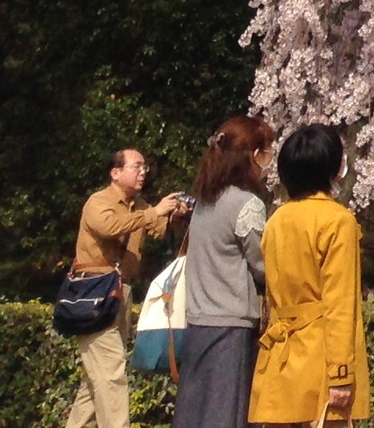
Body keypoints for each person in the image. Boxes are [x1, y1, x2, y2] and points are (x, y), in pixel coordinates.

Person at [248, 125, 370, 426]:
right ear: (334, 168)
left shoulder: (277, 220)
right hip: (321, 358)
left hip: (280, 356)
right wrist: (340, 373)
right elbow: (340, 304)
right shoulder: (338, 221)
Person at [66, 147, 191, 428]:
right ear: (116, 173)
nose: (143, 172)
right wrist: (154, 212)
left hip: (120, 293)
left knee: (95, 380)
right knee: (110, 374)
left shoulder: (142, 206)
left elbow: (159, 229)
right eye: (136, 166)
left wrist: (176, 215)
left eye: (145, 167)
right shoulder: (98, 202)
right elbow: (110, 227)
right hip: (94, 293)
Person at [175, 117, 274, 428]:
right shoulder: (247, 204)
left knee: (196, 414)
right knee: (227, 414)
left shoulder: (205, 202)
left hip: (198, 320)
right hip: (232, 326)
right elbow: (263, 266)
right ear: (253, 155)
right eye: (267, 152)